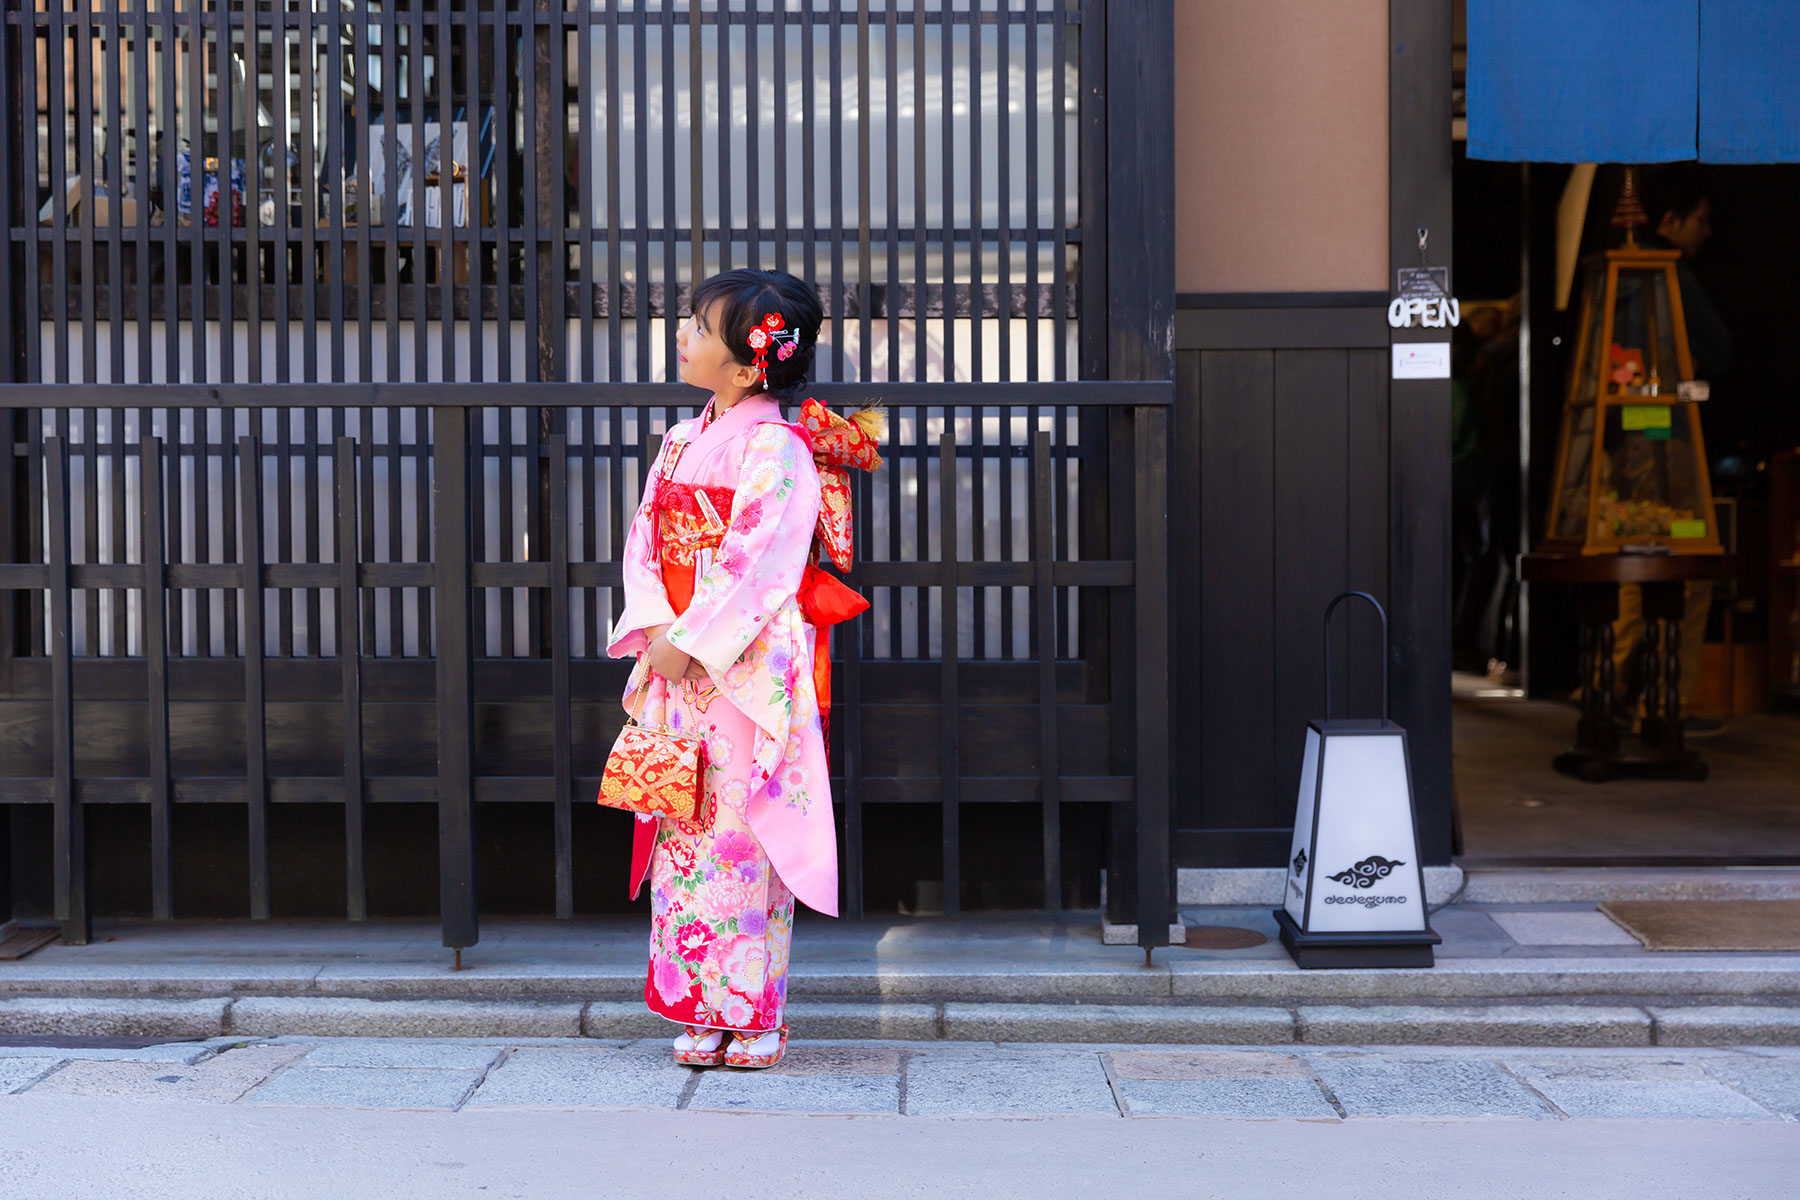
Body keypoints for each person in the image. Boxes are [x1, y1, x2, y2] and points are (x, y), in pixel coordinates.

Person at [606, 268, 880, 1070]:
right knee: (683, 826)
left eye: (698, 326)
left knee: (741, 831)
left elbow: (758, 559)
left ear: (749, 366)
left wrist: (690, 641)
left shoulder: (776, 446)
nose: (682, 334)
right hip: (679, 656)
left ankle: (755, 1017)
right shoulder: (683, 438)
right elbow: (645, 542)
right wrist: (657, 627)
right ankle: (698, 1006)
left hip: (744, 665)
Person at [1609, 165, 1734, 736]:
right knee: (1691, 557)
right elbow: (1721, 348)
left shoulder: (1616, 279)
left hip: (1631, 439)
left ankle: (1612, 685)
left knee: (1636, 559)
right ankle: (1669, 700)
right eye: (1701, 220)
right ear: (1670, 221)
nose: (1706, 232)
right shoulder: (1671, 275)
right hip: (1671, 440)